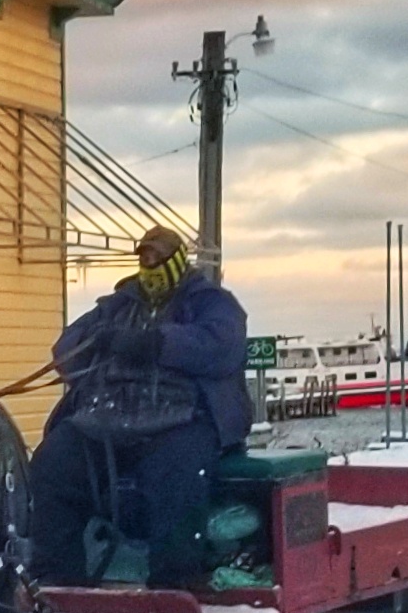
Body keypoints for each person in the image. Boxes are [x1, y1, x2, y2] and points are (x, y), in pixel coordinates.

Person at [27, 226, 250, 589]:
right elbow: (65, 349)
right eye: (144, 258)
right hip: (107, 417)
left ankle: (176, 583)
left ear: (178, 259)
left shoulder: (212, 302)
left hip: (182, 418)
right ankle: (58, 580)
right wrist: (98, 341)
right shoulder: (118, 305)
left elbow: (221, 345)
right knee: (52, 464)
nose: (150, 265)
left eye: (157, 257)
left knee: (176, 475)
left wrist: (157, 343)